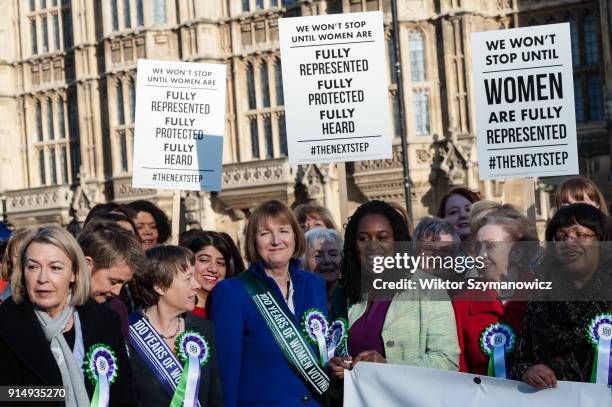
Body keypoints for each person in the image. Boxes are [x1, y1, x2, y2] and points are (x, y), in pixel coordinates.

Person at [211, 200, 329, 407]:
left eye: (283, 231)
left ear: (295, 236)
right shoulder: (232, 292)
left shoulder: (314, 284)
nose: (276, 241)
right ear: (253, 241)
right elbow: (225, 373)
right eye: (264, 233)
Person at [0, 226, 136, 406]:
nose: (42, 278)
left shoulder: (105, 321)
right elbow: (5, 394)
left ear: (74, 273)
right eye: (33, 267)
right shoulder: (5, 323)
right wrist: (59, 392)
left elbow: (123, 396)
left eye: (55, 268)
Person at [329, 200, 459, 382]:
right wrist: (336, 365)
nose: (372, 246)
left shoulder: (429, 288)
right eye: (363, 238)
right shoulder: (342, 293)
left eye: (382, 237)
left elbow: (447, 361)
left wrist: (389, 367)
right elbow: (333, 348)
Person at [510, 203, 611, 388]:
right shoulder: (540, 299)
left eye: (580, 234)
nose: (569, 243)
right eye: (560, 237)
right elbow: (519, 362)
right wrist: (528, 371)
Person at [128, 245, 223, 406]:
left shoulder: (204, 329)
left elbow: (215, 397)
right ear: (160, 286)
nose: (197, 285)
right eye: (188, 279)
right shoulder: (129, 331)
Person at [453, 201, 538, 375]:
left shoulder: (542, 294)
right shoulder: (462, 303)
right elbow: (458, 373)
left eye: (490, 246)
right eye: (478, 247)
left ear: (517, 251)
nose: (480, 255)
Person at [78, 219, 146, 338]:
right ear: (87, 264)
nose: (117, 292)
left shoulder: (116, 309)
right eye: (113, 281)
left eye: (124, 284)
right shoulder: (53, 306)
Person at [185, 231, 239, 318]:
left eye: (220, 263)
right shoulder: (177, 310)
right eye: (204, 260)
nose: (213, 269)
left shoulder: (235, 309)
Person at [303, 228, 345, 319]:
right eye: (318, 255)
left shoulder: (352, 300)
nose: (327, 260)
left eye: (333, 254)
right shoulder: (297, 299)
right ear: (303, 261)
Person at [411, 216, 461, 281]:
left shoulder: (467, 287)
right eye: (429, 249)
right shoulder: (402, 287)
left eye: (444, 250)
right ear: (416, 253)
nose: (437, 256)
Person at [0, 228, 33, 302]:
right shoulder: (4, 295)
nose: (22, 261)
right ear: (9, 258)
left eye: (27, 255)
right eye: (17, 256)